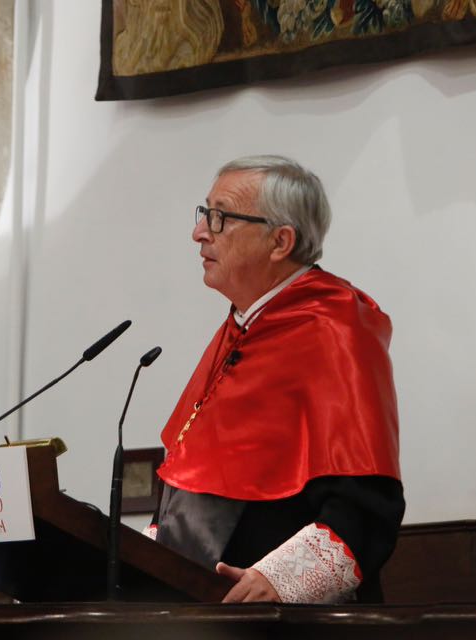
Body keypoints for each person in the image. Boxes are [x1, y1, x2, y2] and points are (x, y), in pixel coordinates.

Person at [146, 155, 405, 604]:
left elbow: (366, 502)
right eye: (204, 213)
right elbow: (198, 481)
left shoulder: (336, 329)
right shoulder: (242, 328)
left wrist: (281, 581)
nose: (200, 231)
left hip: (292, 625)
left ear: (281, 241)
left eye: (220, 217)